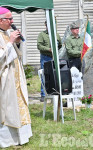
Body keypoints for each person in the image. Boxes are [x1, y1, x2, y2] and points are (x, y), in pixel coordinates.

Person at [0, 7, 32, 148]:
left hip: (16, 77)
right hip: (5, 79)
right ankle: (7, 140)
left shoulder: (7, 33)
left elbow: (16, 54)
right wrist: (10, 42)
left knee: (19, 104)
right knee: (8, 108)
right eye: (10, 19)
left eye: (12, 19)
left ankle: (21, 137)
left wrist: (16, 42)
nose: (12, 22)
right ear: (0, 20)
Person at [37, 21, 62, 102]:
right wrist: (49, 49)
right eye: (48, 25)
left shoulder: (56, 34)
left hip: (54, 58)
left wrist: (56, 50)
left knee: (54, 75)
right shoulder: (42, 34)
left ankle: (53, 92)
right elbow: (39, 45)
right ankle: (43, 94)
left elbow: (60, 45)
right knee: (44, 75)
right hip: (45, 57)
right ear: (45, 25)